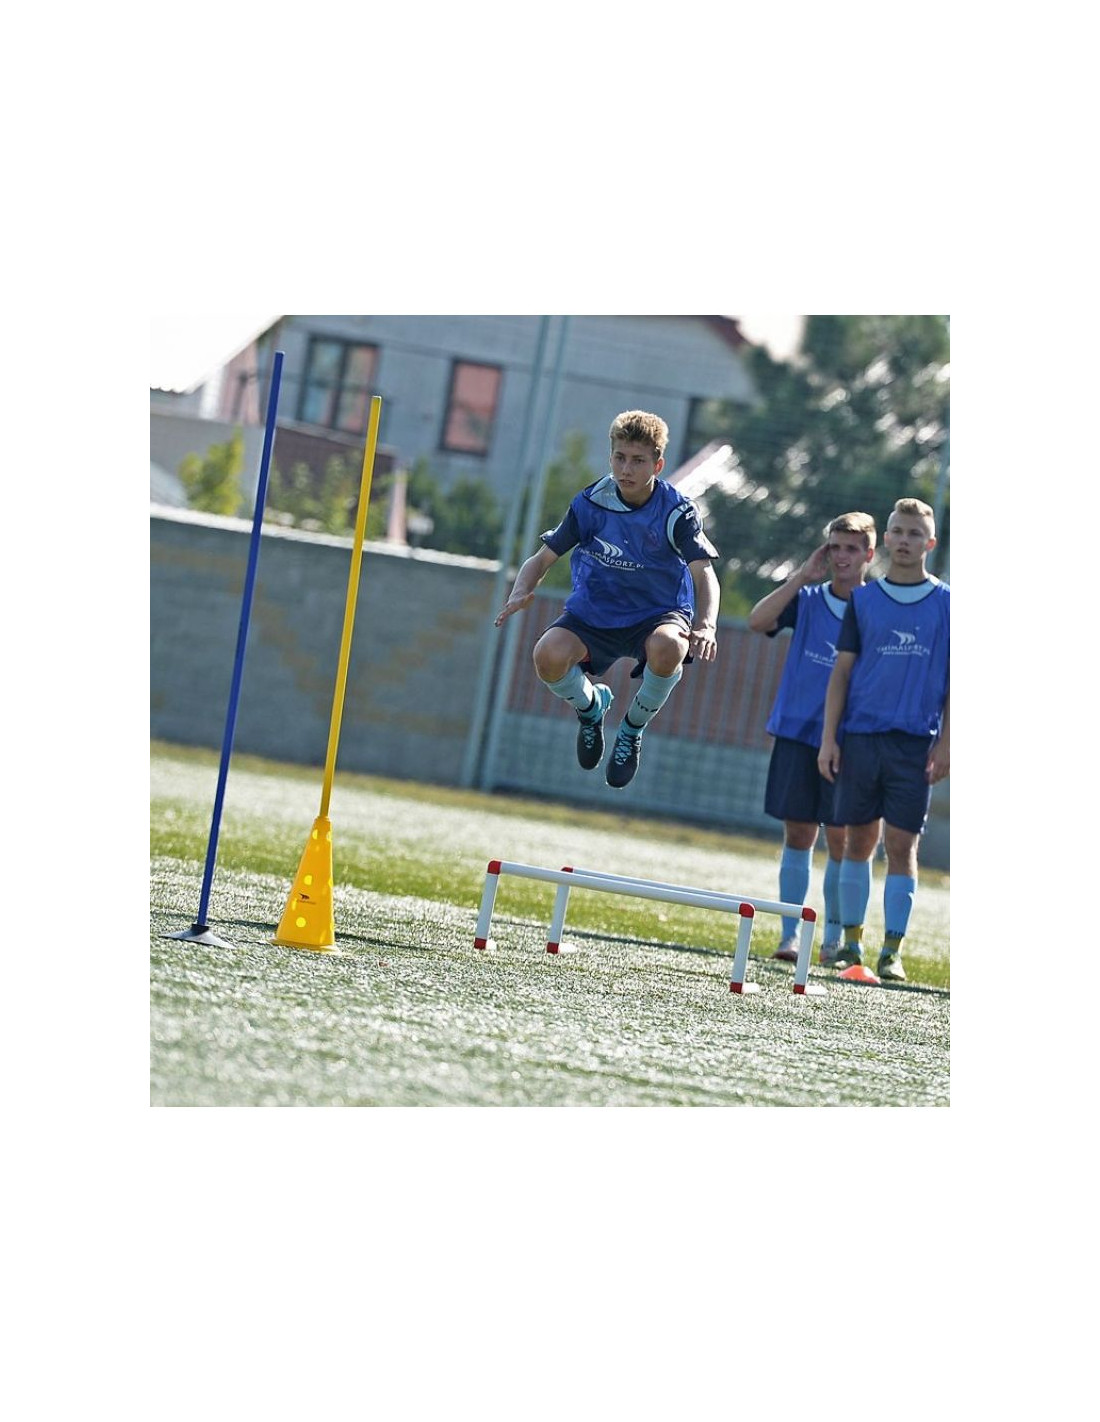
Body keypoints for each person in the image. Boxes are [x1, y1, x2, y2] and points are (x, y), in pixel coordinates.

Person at [495, 409, 720, 789]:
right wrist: (520, 591)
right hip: (594, 613)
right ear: (610, 456)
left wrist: (707, 624)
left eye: (638, 461)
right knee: (546, 656)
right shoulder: (590, 503)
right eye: (620, 457)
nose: (626, 469)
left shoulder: (677, 512)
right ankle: (591, 708)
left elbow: (704, 572)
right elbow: (543, 558)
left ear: (658, 465)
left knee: (670, 646)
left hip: (657, 613)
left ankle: (632, 729)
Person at [817, 497, 950, 983]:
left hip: (914, 745)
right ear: (886, 538)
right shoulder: (864, 601)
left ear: (930, 543)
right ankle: (851, 946)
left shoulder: (949, 604)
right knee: (858, 842)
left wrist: (948, 743)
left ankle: (891, 952)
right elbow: (841, 674)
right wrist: (829, 739)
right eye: (898, 531)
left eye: (915, 534)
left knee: (901, 844)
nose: (905, 540)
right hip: (861, 739)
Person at [748, 512, 879, 967]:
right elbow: (757, 620)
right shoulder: (806, 599)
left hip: (850, 739)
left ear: (869, 554)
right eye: (835, 546)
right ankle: (790, 935)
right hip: (798, 733)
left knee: (840, 838)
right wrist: (801, 576)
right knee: (799, 833)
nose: (842, 556)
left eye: (851, 548)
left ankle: (833, 941)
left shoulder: (877, 608)